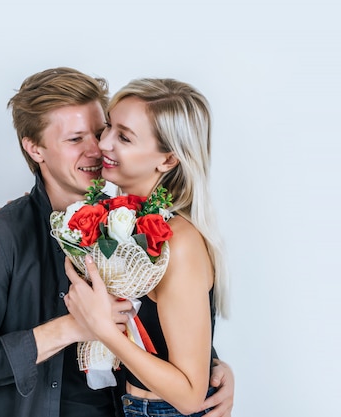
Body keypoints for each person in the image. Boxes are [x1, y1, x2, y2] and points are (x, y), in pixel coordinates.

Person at [0, 67, 234, 417]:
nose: (97, 149)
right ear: (35, 149)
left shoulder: (130, 223)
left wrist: (213, 370)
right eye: (76, 139)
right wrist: (71, 328)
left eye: (101, 131)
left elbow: (164, 324)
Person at [64, 78, 228, 417]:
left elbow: (188, 396)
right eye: (108, 126)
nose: (102, 143)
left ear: (167, 160)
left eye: (124, 137)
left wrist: (103, 329)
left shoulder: (179, 241)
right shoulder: (127, 218)